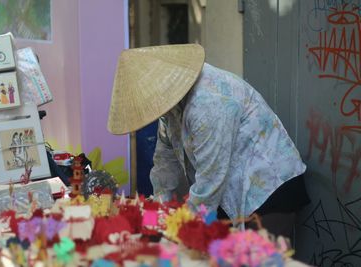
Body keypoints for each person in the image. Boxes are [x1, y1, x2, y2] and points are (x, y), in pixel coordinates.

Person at [107, 44, 309, 236]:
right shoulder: (169, 108)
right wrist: (159, 211)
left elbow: (211, 179)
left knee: (256, 258)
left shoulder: (208, 103)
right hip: (226, 193)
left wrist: (180, 230)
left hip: (268, 191)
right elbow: (164, 163)